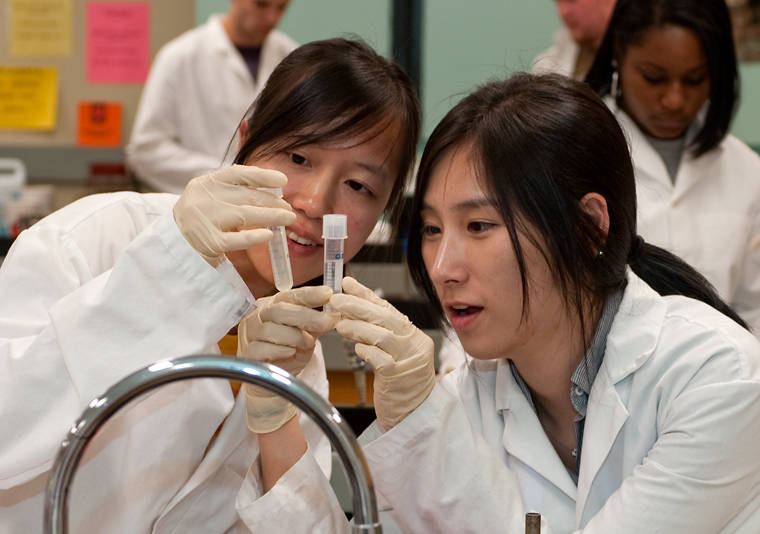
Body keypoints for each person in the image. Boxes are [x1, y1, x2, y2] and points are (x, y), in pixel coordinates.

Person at [235, 73, 760, 533]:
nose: (443, 267)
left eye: (479, 226)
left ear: (588, 227)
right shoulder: (466, 399)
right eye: (432, 229)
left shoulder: (715, 378)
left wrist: (425, 430)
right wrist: (275, 413)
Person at [0, 38, 419, 534]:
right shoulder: (93, 240)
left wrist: (277, 415)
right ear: (246, 141)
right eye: (298, 157)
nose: (314, 202)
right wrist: (171, 273)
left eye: (359, 187)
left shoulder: (298, 361)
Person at [586, 0, 760, 334]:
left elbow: (754, 309)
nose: (675, 100)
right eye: (654, 78)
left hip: (722, 363)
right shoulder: (573, 154)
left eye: (695, 79)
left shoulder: (746, 170)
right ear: (619, 52)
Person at [126, 0, 297, 194]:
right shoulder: (180, 57)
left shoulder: (291, 57)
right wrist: (221, 173)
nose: (272, 18)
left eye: (281, 8)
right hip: (197, 202)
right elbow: (147, 151)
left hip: (273, 203)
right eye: (261, 5)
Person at [532, 0, 616, 80]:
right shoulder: (547, 66)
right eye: (557, 2)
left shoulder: (622, 61)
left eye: (571, 0)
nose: (563, 12)